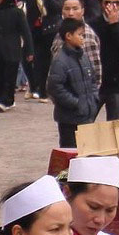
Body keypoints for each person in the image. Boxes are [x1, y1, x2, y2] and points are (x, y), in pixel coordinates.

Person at [49, 17, 99, 148]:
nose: (82, 38)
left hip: (86, 116)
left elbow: (92, 80)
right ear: (68, 36)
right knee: (70, 153)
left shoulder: (83, 57)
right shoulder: (60, 60)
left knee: (86, 151)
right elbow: (55, 88)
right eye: (80, 35)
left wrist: (93, 98)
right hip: (69, 119)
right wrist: (76, 103)